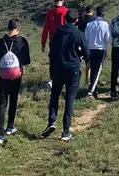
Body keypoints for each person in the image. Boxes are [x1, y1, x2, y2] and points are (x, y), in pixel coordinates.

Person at [42, 9, 89, 141]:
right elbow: (86, 53)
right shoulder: (78, 34)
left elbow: (52, 53)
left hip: (58, 68)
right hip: (73, 68)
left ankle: (51, 121)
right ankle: (66, 131)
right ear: (76, 20)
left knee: (54, 95)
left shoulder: (57, 32)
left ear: (65, 19)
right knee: (69, 98)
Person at [0, 18, 31, 145]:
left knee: (2, 104)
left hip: (2, 78)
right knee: (13, 100)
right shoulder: (22, 42)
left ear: (8, 28)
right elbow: (27, 60)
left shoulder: (0, 42)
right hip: (16, 77)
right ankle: (10, 127)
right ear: (18, 28)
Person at [84, 6, 111, 99]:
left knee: (92, 71)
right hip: (100, 49)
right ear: (103, 15)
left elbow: (85, 38)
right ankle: (90, 92)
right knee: (97, 71)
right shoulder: (105, 24)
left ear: (95, 14)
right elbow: (108, 39)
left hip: (90, 49)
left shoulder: (89, 24)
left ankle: (94, 90)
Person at [42, 0, 68, 89]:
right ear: (62, 1)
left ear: (54, 1)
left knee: (53, 61)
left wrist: (43, 42)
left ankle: (52, 80)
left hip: (53, 41)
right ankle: (64, 81)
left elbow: (45, 29)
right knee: (64, 60)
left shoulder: (50, 12)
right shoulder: (66, 11)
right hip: (65, 41)